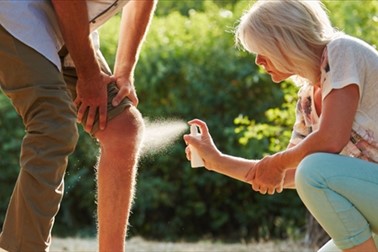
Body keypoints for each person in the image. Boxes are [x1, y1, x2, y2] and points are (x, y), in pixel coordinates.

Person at [183, 0, 378, 251]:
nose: (258, 62)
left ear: (284, 41)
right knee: (310, 170)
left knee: (313, 169)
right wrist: (216, 161)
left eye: (261, 50)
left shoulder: (341, 51)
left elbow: (329, 141)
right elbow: (287, 175)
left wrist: (277, 163)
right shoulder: (307, 101)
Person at [0, 0, 156, 251]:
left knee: (124, 129)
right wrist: (89, 74)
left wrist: (125, 69)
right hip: (17, 13)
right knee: (54, 127)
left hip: (68, 26)